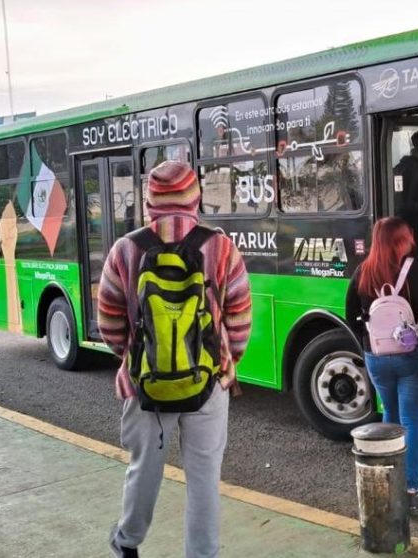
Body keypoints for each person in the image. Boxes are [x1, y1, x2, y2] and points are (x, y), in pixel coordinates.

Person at [98, 161, 252, 558]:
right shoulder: (220, 246)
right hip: (208, 382)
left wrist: (137, 358)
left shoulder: (125, 248)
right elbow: (240, 315)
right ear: (195, 198)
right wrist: (224, 362)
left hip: (144, 386)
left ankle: (127, 543)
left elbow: (109, 322)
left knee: (144, 468)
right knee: (203, 479)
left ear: (148, 201)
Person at [345, 217, 418, 516]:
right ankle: (410, 490)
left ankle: (389, 483)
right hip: (414, 355)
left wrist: (370, 344)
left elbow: (351, 316)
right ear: (402, 239)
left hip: (377, 357)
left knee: (391, 418)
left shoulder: (363, 271)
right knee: (412, 422)